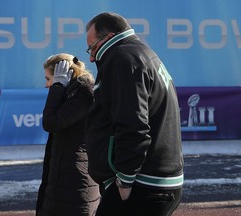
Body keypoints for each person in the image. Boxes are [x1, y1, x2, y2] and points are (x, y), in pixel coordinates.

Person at [85, 12, 184, 216]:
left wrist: (125, 178)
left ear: (109, 37)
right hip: (155, 179)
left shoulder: (123, 58)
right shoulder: (142, 53)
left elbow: (133, 122)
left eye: (93, 48)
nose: (92, 57)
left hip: (142, 183)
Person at [36, 53, 100, 216]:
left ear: (62, 76)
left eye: (48, 78)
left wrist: (57, 87)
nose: (46, 84)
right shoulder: (73, 93)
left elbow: (50, 123)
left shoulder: (83, 93)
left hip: (75, 184)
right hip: (65, 182)